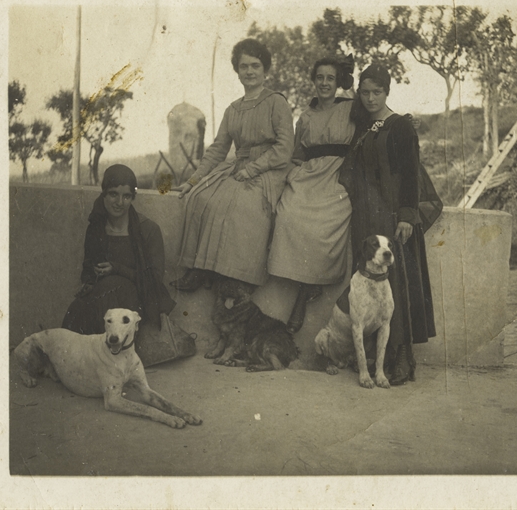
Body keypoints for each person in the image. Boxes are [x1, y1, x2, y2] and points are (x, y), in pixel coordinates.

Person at [342, 64, 443, 386]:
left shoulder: (400, 126)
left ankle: (402, 357)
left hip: (392, 214)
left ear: (387, 92)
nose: (371, 98)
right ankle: (376, 358)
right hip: (365, 216)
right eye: (365, 92)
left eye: (377, 92)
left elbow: (410, 172)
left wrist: (407, 216)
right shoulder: (362, 126)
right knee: (369, 283)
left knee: (398, 284)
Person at [172, 38, 294, 290]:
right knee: (200, 197)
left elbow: (284, 149)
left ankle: (235, 279)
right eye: (243, 66)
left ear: (265, 69)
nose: (249, 71)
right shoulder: (233, 109)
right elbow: (218, 149)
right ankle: (200, 269)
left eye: (255, 66)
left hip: (269, 170)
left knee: (242, 205)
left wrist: (253, 169)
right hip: (239, 169)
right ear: (237, 71)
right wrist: (193, 181)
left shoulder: (276, 102)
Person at [268, 55, 356, 334]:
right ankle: (305, 287)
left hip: (338, 176)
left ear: (338, 81)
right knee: (288, 214)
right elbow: (297, 154)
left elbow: (378, 119)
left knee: (324, 223)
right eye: (320, 78)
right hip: (308, 175)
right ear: (314, 81)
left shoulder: (351, 108)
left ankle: (305, 294)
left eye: (331, 78)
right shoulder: (306, 116)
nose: (325, 83)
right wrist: (293, 174)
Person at [62, 164, 175, 336]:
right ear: (104, 194)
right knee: (79, 307)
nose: (120, 203)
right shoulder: (96, 227)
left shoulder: (148, 230)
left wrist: (116, 269)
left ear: (132, 197)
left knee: (114, 287)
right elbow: (88, 270)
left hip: (138, 302)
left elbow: (154, 280)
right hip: (104, 299)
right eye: (113, 194)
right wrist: (92, 278)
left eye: (126, 196)